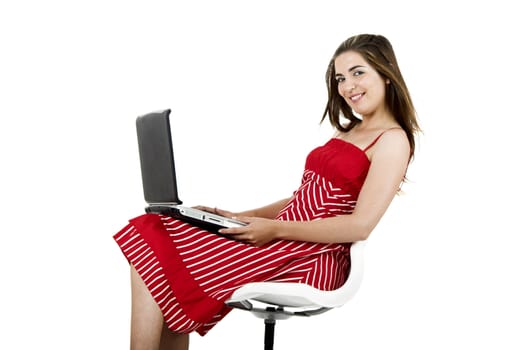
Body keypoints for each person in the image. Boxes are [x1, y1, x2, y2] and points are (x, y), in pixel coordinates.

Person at [114, 33, 420, 350]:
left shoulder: (392, 140)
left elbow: (361, 225)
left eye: (358, 73)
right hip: (280, 235)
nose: (347, 87)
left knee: (151, 238)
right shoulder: (349, 130)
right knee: (162, 236)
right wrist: (234, 217)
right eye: (341, 78)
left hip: (311, 255)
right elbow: (302, 199)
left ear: (385, 73)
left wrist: (274, 229)